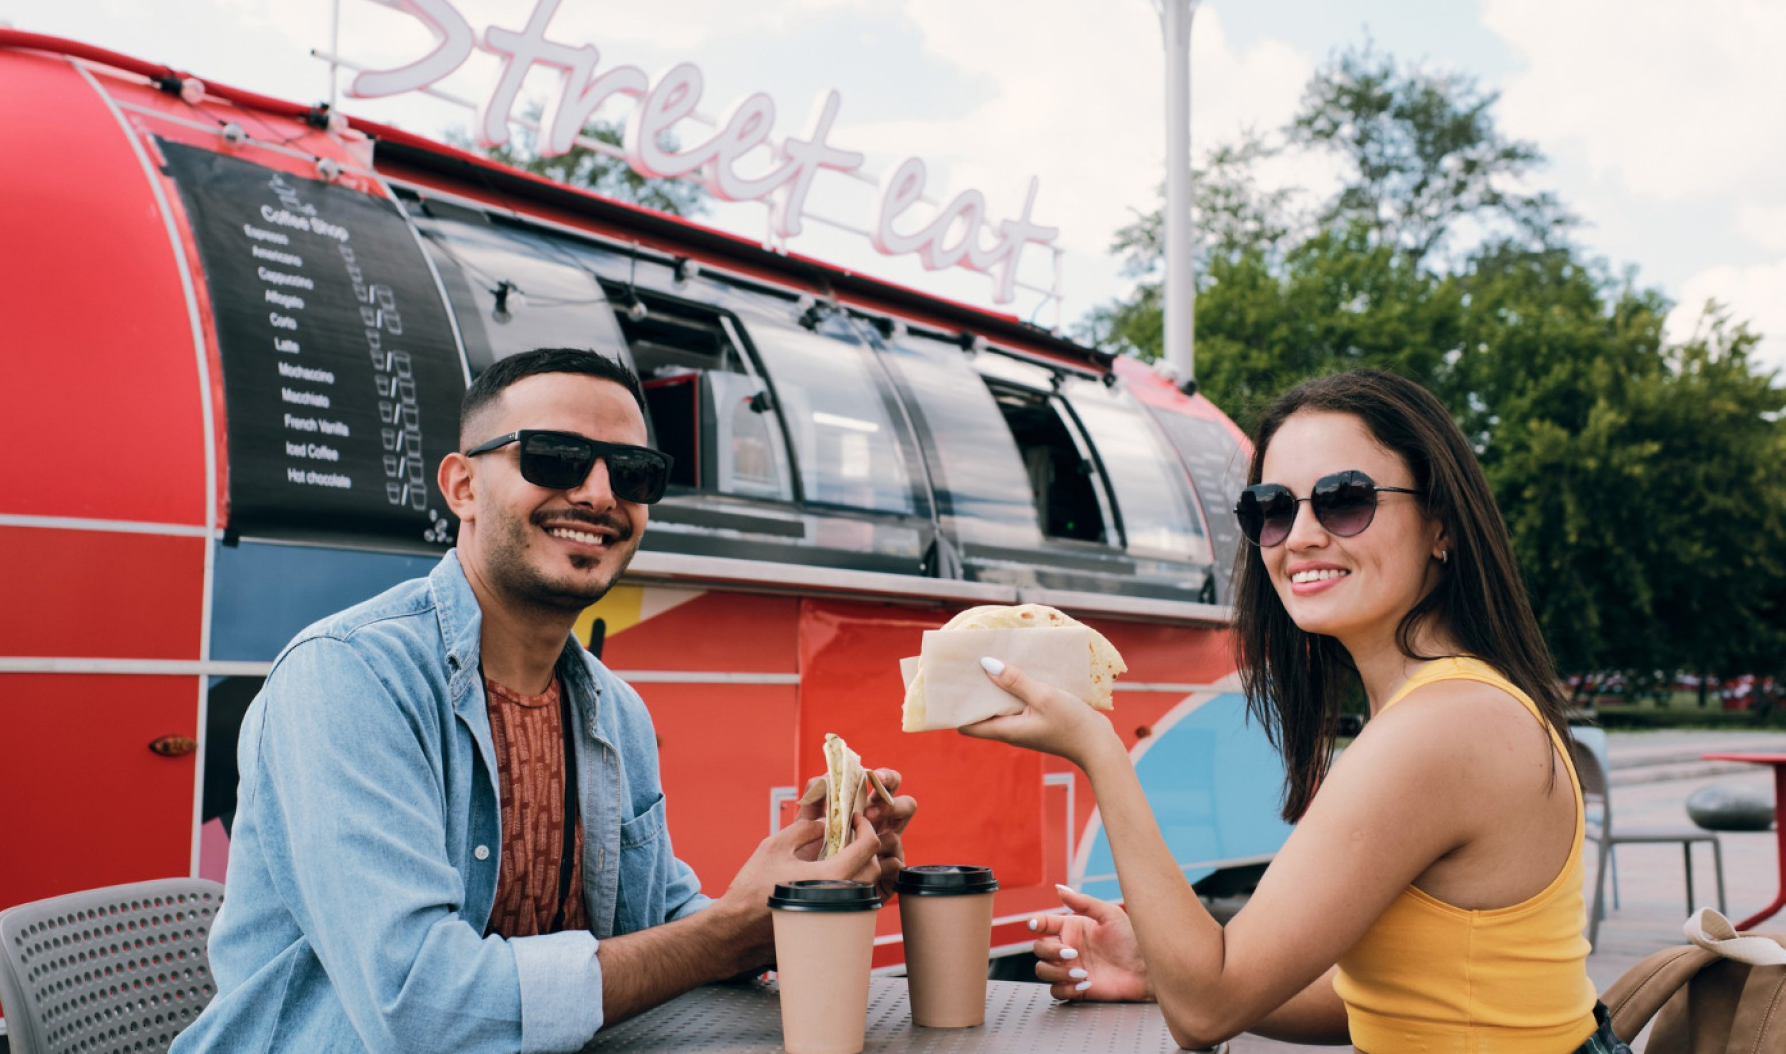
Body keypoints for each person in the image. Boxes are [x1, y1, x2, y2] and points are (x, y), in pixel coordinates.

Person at [174, 347, 916, 1054]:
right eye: (553, 459)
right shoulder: (348, 679)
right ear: (462, 486)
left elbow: (661, 928)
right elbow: (422, 1011)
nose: (599, 494)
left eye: (633, 472)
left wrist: (807, 887)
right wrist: (723, 933)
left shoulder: (614, 709)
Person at [963, 370, 1626, 1052]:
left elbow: (1207, 1012)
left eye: (1343, 501)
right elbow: (1373, 994)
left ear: (1441, 527)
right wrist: (1156, 967)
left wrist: (1098, 750)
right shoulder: (1453, 702)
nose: (1300, 536)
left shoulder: (1444, 724)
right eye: (1273, 509)